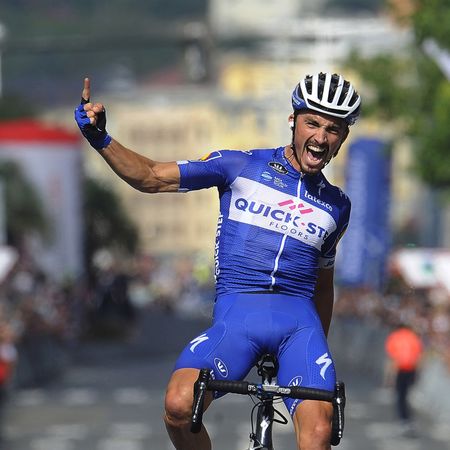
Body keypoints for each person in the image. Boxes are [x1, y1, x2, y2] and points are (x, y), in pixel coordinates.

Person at [75, 72, 361, 450]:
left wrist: (315, 356)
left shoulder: (338, 205)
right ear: (293, 120)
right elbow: (150, 176)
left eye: (333, 129)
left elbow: (323, 287)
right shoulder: (238, 165)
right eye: (313, 123)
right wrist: (100, 139)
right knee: (179, 406)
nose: (321, 138)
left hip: (300, 330)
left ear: (343, 136)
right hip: (238, 319)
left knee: (318, 434)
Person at [385, 324, 423, 428]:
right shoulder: (413, 337)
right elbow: (419, 355)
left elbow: (392, 358)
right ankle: (408, 417)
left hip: (400, 369)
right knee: (407, 393)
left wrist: (389, 377)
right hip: (411, 369)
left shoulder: (394, 337)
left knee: (400, 394)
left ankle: (403, 418)